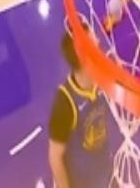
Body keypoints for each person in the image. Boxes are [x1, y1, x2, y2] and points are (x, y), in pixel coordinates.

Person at [48, 23, 112, 188]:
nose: (99, 42)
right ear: (83, 56)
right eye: (94, 43)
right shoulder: (65, 102)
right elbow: (55, 157)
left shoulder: (101, 80)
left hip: (106, 173)